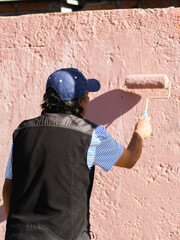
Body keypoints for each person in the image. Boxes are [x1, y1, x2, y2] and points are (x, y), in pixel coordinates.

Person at [2, 68, 152, 240]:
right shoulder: (91, 135)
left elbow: (8, 189)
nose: (89, 100)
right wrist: (139, 133)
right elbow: (130, 159)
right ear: (80, 101)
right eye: (87, 96)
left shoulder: (22, 131)